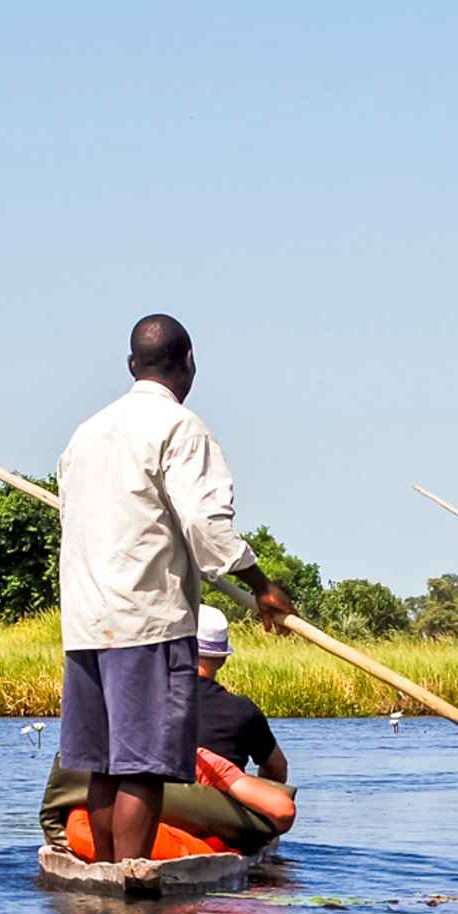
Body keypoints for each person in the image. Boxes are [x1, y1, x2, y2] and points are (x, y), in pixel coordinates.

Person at [56, 314, 293, 863]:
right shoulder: (181, 429)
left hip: (88, 622)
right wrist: (262, 586)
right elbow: (209, 533)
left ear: (131, 366)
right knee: (144, 764)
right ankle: (132, 877)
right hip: (147, 620)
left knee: (102, 765)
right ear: (188, 363)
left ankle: (103, 873)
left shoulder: (86, 433)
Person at [190, 605, 293, 831]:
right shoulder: (244, 710)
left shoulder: (147, 700)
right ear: (222, 660)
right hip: (221, 819)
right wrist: (257, 791)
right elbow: (277, 769)